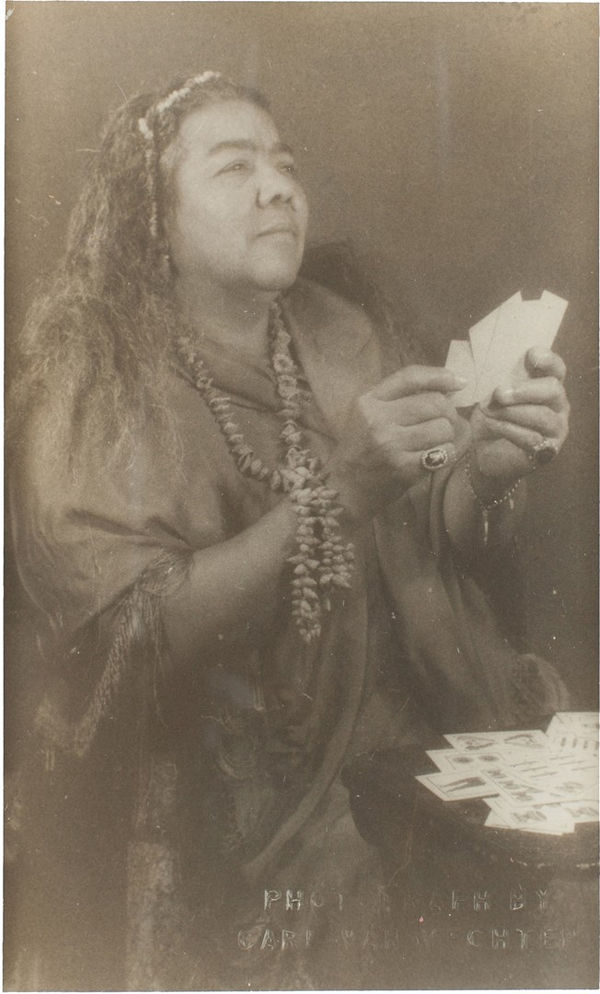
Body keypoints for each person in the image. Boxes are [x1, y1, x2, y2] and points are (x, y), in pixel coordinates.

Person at [6, 71, 571, 990]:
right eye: (235, 168)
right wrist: (338, 491)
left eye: (286, 165)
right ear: (152, 216)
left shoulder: (340, 328)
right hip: (233, 785)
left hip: (399, 735)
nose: (277, 188)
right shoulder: (96, 381)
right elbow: (127, 644)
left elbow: (422, 536)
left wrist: (485, 472)